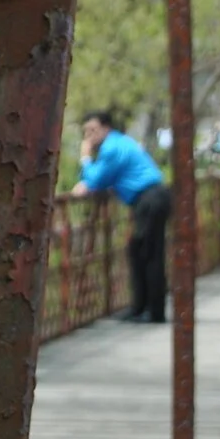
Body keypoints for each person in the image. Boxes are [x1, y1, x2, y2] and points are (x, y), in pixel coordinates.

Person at [71, 109, 172, 324]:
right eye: (86, 132)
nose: (89, 136)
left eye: (93, 130)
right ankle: (141, 307)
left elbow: (97, 179)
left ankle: (153, 311)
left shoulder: (112, 147)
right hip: (150, 199)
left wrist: (85, 158)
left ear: (106, 128)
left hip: (150, 198)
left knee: (149, 255)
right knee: (139, 252)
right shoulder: (119, 143)